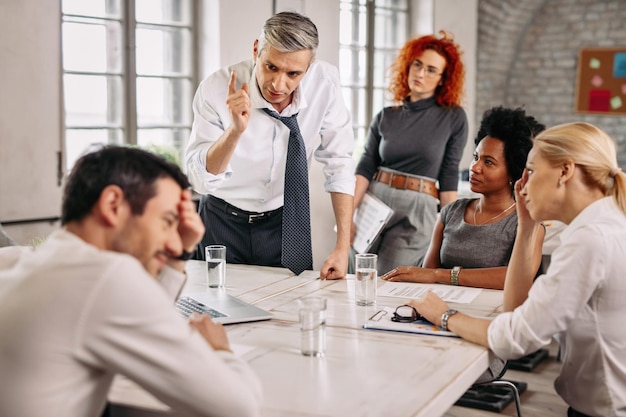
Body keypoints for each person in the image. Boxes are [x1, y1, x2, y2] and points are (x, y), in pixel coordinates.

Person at [0, 146, 262, 417]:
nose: (173, 242)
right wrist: (220, 349)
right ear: (113, 204)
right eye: (167, 221)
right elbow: (239, 408)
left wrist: (177, 257)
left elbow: (144, 317)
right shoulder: (105, 277)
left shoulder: (15, 261)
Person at [410, 122, 626, 417]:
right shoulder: (604, 223)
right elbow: (516, 311)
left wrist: (445, 315)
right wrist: (526, 226)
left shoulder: (590, 240)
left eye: (532, 171)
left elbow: (516, 338)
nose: (523, 184)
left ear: (565, 172)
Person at [185, 11, 355, 279]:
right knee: (220, 309)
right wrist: (235, 132)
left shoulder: (325, 83)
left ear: (309, 67)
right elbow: (200, 180)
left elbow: (340, 163)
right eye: (271, 67)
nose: (278, 84)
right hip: (221, 219)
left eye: (293, 73)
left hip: (284, 221)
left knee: (289, 308)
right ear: (256, 50)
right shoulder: (217, 88)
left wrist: (343, 246)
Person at [382, 106, 546, 290]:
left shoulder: (526, 221)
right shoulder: (451, 212)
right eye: (476, 157)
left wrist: (441, 275)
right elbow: (426, 275)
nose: (475, 167)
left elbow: (516, 277)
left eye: (488, 162)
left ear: (512, 172)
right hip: (441, 307)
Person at [352, 30, 468, 275]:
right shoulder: (386, 115)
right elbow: (365, 166)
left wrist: (452, 231)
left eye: (431, 70)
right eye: (417, 64)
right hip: (374, 201)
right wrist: (348, 215)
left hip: (418, 208)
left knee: (389, 282)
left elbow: (448, 176)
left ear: (442, 79)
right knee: (355, 277)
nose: (421, 73)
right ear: (408, 64)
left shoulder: (453, 117)